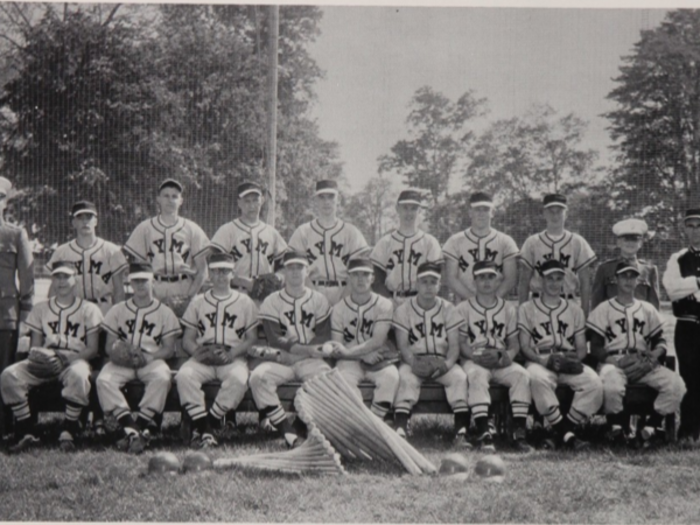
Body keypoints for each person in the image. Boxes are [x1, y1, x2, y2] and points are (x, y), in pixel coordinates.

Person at [1, 261, 102, 452]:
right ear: (52, 281)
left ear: (75, 280)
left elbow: (92, 349)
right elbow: (36, 346)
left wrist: (65, 360)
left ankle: (69, 430)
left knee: (79, 375)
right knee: (9, 375)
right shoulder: (41, 309)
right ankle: (26, 431)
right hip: (46, 359)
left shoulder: (89, 309)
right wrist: (40, 358)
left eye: (66, 276)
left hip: (74, 359)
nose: (62, 281)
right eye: (57, 277)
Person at [589, 261, 686, 447]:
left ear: (638, 282)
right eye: (624, 276)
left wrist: (652, 358)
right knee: (611, 386)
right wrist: (613, 362)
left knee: (677, 385)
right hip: (614, 361)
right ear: (615, 279)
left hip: (643, 361)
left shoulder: (647, 309)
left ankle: (649, 429)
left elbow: (661, 342)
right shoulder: (603, 309)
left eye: (632, 276)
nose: (628, 280)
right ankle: (616, 429)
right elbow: (595, 347)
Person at [248, 250, 333, 448]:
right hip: (282, 359)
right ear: (283, 272)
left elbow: (323, 336)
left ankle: (301, 425)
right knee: (258, 377)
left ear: (307, 272)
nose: (295, 272)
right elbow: (274, 338)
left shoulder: (319, 300)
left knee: (326, 380)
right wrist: (303, 350)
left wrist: (301, 352)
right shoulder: (272, 301)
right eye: (290, 268)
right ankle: (287, 430)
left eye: (300, 268)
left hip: (309, 359)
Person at [175, 253, 259, 448]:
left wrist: (232, 354)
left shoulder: (245, 302)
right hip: (202, 355)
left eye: (225, 271)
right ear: (210, 275)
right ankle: (206, 429)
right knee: (184, 376)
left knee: (238, 379)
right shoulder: (198, 301)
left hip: (232, 355)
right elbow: (187, 338)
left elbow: (252, 338)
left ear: (233, 274)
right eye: (216, 271)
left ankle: (207, 426)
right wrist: (197, 352)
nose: (221, 276)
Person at [96, 262, 181, 453]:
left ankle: (136, 425)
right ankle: (134, 428)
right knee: (103, 380)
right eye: (136, 281)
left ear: (153, 283)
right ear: (130, 284)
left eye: (144, 281)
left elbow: (168, 349)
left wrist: (150, 357)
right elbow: (109, 346)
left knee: (162, 377)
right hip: (122, 362)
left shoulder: (164, 312)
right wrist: (120, 355)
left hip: (151, 359)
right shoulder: (118, 310)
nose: (140, 285)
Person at [518, 260, 603, 450]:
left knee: (595, 384)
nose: (554, 283)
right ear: (540, 280)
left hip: (567, 360)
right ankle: (568, 435)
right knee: (537, 380)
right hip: (540, 359)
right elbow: (524, 346)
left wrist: (573, 360)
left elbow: (581, 348)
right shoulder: (527, 308)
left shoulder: (574, 309)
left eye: (558, 278)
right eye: (550, 278)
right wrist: (543, 360)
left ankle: (561, 432)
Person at [457, 261, 532, 452]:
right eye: (481, 277)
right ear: (474, 281)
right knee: (476, 376)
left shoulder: (508, 308)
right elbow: (461, 343)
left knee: (522, 375)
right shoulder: (463, 308)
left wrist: (507, 356)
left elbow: (514, 343)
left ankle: (519, 433)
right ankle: (484, 431)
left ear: (498, 280)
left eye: (491, 277)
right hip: (476, 358)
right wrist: (476, 357)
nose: (487, 282)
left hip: (500, 359)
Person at [392, 262, 469, 441]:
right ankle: (401, 428)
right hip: (414, 361)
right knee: (406, 378)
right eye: (424, 281)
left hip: (442, 361)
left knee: (459, 377)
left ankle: (461, 431)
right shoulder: (404, 309)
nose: (428, 286)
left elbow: (455, 346)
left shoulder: (449, 309)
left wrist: (447, 364)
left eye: (433, 282)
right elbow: (402, 346)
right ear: (416, 284)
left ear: (439, 285)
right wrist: (414, 363)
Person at [123, 179, 209, 311]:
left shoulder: (192, 229)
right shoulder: (145, 228)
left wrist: (190, 296)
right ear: (158, 199)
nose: (170, 200)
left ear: (181, 201)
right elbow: (137, 268)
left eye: (175, 196)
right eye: (166, 196)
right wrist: (150, 296)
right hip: (155, 288)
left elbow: (203, 270)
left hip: (184, 286)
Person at [330, 258, 399, 422]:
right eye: (355, 275)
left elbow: (377, 340)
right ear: (348, 278)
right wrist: (359, 355)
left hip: (376, 356)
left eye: (365, 274)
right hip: (349, 361)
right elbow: (337, 348)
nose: (360, 279)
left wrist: (350, 352)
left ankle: (375, 421)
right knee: (343, 380)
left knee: (391, 376)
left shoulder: (384, 305)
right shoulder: (338, 308)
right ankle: (362, 422)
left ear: (373, 278)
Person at [288, 179, 369, 305]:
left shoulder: (351, 232)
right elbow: (295, 270)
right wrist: (314, 297)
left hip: (346, 291)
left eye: (331, 197)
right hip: (311, 291)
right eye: (322, 197)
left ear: (338, 199)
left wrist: (344, 300)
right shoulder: (302, 232)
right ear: (315, 200)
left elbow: (361, 271)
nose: (326, 202)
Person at [518, 194, 596, 317]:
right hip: (537, 304)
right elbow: (524, 281)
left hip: (568, 303)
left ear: (566, 213)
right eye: (551, 212)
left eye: (559, 212)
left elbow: (585, 282)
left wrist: (585, 314)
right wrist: (520, 314)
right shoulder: (532, 242)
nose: (555, 216)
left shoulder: (577, 241)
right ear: (544, 213)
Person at [208, 181, 287, 298]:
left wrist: (278, 277)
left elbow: (286, 264)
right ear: (239, 203)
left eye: (255, 200)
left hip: (265, 296)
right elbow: (212, 264)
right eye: (247, 201)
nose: (252, 206)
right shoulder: (227, 231)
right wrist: (243, 281)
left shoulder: (272, 233)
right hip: (234, 294)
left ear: (262, 200)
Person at [47, 201, 128, 315]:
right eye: (80, 218)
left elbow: (119, 291)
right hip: (72, 311)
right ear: (73, 222)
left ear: (96, 221)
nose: (85, 222)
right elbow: (54, 289)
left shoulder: (111, 251)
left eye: (89, 217)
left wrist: (119, 318)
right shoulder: (62, 252)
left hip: (104, 309)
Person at [662, 208, 700, 443]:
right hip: (687, 327)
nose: (695, 231)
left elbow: (681, 288)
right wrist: (696, 281)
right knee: (689, 378)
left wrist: (689, 288)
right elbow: (672, 290)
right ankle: (688, 431)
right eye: (691, 226)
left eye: (699, 226)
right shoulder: (678, 258)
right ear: (685, 229)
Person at [0, 176, 34, 436]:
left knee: (5, 372)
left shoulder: (15, 234)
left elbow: (27, 280)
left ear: (4, 202)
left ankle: (4, 428)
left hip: (5, 316)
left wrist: (24, 322)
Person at [369, 189, 442, 306]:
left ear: (419, 211)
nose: (409, 213)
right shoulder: (385, 242)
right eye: (405, 208)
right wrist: (388, 300)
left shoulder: (430, 243)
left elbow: (436, 279)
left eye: (413, 208)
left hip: (421, 302)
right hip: (391, 300)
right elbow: (376, 280)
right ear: (397, 209)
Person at [444, 192, 519, 301]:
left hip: (498, 304)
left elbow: (510, 279)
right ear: (470, 212)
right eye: (477, 209)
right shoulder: (454, 241)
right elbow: (451, 278)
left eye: (485, 209)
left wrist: (492, 300)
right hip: (464, 304)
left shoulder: (505, 241)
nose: (481, 214)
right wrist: (474, 301)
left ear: (492, 212)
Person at [591, 218, 659, 310]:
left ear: (641, 243)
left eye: (635, 239)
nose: (630, 243)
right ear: (618, 242)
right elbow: (596, 304)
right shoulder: (605, 269)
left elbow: (654, 306)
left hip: (640, 321)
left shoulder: (649, 270)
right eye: (626, 239)